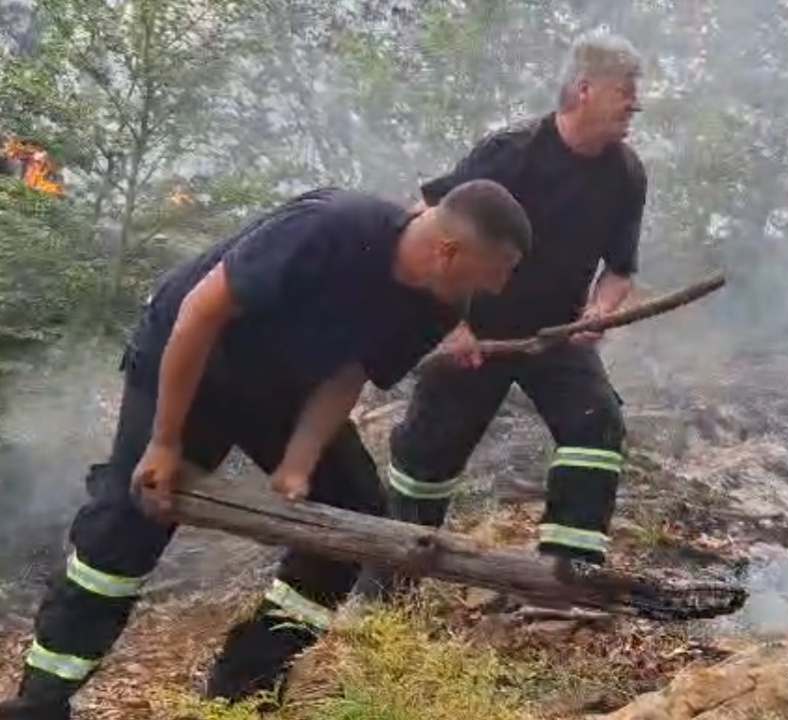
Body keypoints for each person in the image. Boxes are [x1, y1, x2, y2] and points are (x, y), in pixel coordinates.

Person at [0, 181, 532, 720]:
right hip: (191, 362)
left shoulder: (439, 305)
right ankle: (42, 700)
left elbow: (348, 375)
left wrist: (299, 461)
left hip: (281, 390)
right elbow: (199, 312)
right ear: (448, 252)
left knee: (352, 512)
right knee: (130, 517)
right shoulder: (329, 229)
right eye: (499, 269)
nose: (500, 286)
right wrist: (164, 441)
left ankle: (244, 689)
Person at [356, 31, 647, 602]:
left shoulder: (627, 175)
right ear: (584, 89)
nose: (635, 103)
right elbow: (428, 223)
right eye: (625, 90)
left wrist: (599, 312)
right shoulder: (510, 153)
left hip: (557, 335)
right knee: (426, 455)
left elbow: (619, 270)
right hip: (472, 330)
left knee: (596, 425)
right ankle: (387, 589)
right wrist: (450, 325)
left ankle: (566, 583)